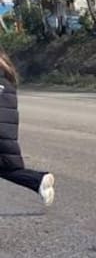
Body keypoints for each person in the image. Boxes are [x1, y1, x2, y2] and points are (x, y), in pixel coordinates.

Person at [0, 52, 55, 207]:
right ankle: (37, 181)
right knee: (7, 166)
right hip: (5, 134)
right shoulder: (7, 76)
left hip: (2, 134)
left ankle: (37, 180)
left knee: (7, 167)